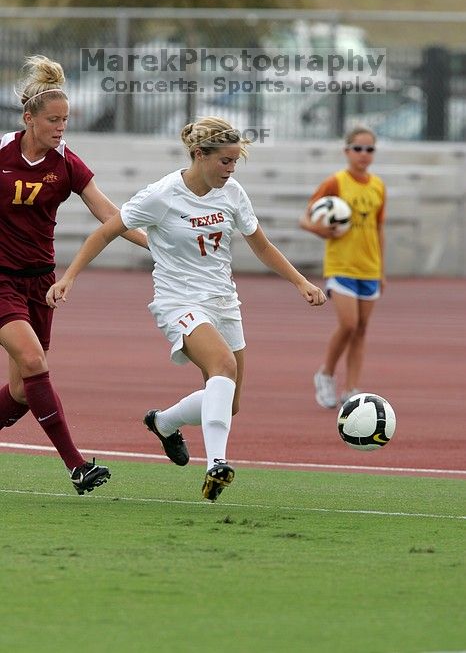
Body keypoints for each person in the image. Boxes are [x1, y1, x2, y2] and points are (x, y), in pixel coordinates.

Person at [46, 116, 327, 502]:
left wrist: (301, 282)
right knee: (222, 366)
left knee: (232, 403)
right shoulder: (163, 194)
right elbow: (106, 230)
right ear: (199, 154)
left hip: (224, 302)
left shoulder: (233, 194)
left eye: (235, 162)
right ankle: (217, 464)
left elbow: (261, 245)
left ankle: (163, 422)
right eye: (224, 161)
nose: (230, 170)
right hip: (178, 301)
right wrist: (69, 276)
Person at [0, 55, 148, 494]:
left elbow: (110, 215)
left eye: (66, 120)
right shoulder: (1, 152)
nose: (61, 127)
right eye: (53, 120)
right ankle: (77, 466)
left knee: (24, 390)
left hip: (41, 282)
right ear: (29, 119)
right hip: (1, 278)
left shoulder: (66, 163)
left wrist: (157, 246)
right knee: (34, 361)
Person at [299, 127, 386, 409]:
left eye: (369, 149)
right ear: (347, 151)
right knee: (348, 324)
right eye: (358, 148)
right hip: (341, 265)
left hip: (369, 267)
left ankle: (351, 388)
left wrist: (381, 270)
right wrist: (322, 230)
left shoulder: (378, 186)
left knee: (361, 329)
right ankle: (325, 374)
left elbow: (379, 227)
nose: (363, 155)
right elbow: (306, 219)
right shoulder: (335, 182)